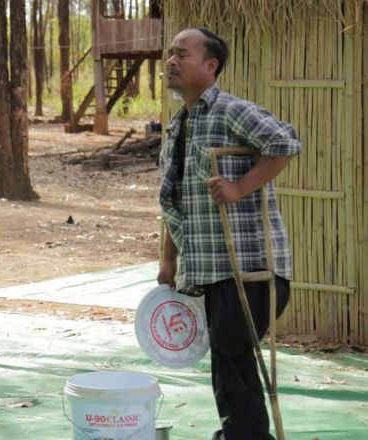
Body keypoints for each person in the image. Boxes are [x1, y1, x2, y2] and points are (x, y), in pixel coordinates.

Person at [158, 28, 300, 440]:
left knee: (233, 354)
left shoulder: (229, 111)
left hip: (249, 264)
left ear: (210, 66)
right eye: (170, 53)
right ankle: (239, 434)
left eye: (182, 54)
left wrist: (239, 187)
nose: (171, 60)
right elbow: (174, 200)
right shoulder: (177, 125)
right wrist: (168, 259)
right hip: (210, 266)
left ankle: (246, 436)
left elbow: (285, 142)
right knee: (226, 354)